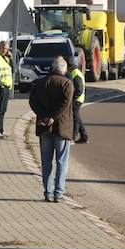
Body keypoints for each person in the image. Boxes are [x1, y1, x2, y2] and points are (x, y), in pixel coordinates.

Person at [28, 56, 74, 203]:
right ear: (64, 69)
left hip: (43, 127)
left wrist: (43, 115)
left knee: (46, 161)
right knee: (62, 161)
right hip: (61, 128)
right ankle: (59, 192)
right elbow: (65, 104)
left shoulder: (40, 83)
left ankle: (48, 191)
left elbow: (32, 101)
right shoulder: (67, 84)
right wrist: (53, 117)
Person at [0, 42, 14, 138]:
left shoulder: (6, 58)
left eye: (6, 49)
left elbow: (14, 70)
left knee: (3, 110)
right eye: (3, 48)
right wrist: (0, 85)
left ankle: (0, 130)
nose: (4, 50)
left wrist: (11, 59)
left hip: (6, 87)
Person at [69, 59, 88, 144]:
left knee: (75, 118)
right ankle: (84, 136)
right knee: (77, 118)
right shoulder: (76, 72)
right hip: (78, 98)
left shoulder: (75, 74)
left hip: (77, 99)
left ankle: (73, 136)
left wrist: (73, 99)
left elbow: (79, 89)